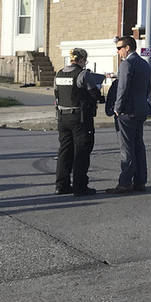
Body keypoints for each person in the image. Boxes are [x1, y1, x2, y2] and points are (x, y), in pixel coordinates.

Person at [105, 36, 151, 194]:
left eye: (119, 48)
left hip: (127, 111)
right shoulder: (144, 63)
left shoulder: (127, 63)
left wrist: (117, 108)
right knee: (138, 146)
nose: (118, 51)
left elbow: (123, 87)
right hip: (141, 109)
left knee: (126, 147)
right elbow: (148, 88)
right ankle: (140, 181)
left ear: (127, 47)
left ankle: (125, 183)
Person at [53, 47, 103, 197]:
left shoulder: (59, 73)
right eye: (84, 61)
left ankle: (61, 185)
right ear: (81, 60)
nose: (85, 63)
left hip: (62, 117)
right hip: (79, 118)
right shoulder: (83, 74)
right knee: (81, 151)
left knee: (64, 151)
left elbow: (56, 94)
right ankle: (80, 187)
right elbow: (94, 93)